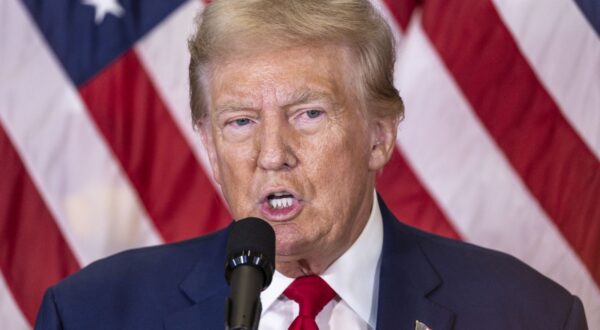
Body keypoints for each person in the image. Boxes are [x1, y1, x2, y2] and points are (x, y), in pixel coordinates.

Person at [35, 0, 588, 329]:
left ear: (379, 134)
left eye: (309, 113)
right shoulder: (92, 314)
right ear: (207, 142)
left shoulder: (527, 315)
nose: (273, 154)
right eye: (241, 121)